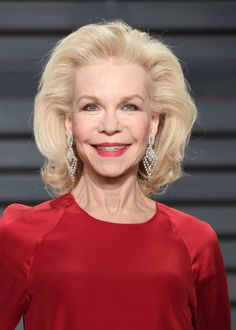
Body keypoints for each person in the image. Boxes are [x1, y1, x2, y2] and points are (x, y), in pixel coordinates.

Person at [0, 20, 231, 330]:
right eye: (91, 106)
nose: (110, 126)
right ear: (70, 123)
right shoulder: (22, 235)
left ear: (153, 123)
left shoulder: (195, 242)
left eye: (129, 107)